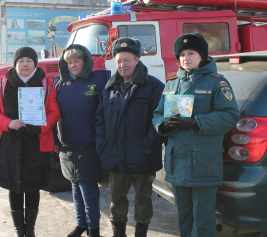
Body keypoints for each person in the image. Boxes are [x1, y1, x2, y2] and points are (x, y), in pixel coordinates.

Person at [152, 33, 240, 237]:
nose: (186, 58)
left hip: (203, 164)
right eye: (182, 54)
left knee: (203, 222)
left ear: (202, 55)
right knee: (184, 218)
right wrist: (163, 125)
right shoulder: (172, 84)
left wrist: (195, 122)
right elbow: (157, 114)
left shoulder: (217, 83)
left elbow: (230, 115)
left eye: (191, 53)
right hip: (177, 163)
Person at [0, 46, 60, 237]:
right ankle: (19, 228)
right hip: (10, 145)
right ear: (15, 63)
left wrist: (41, 128)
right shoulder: (3, 84)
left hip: (37, 144)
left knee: (34, 187)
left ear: (35, 63)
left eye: (29, 60)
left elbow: (54, 112)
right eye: (21, 61)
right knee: (15, 188)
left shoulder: (46, 84)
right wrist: (8, 122)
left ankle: (30, 229)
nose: (25, 64)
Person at [95, 38, 165, 237]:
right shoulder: (109, 89)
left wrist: (149, 145)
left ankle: (141, 232)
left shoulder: (153, 86)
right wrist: (103, 145)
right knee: (116, 199)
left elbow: (160, 118)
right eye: (118, 61)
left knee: (143, 199)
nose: (122, 65)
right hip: (116, 155)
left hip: (143, 155)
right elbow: (100, 119)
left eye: (126, 60)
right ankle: (119, 232)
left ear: (137, 60)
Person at [54, 44, 110, 237]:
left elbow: (105, 111)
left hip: (89, 143)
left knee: (87, 187)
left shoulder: (98, 80)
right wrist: (55, 139)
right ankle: (81, 224)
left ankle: (93, 227)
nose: (73, 65)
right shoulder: (59, 83)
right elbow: (53, 113)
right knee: (74, 185)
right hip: (67, 144)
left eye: (77, 61)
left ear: (85, 62)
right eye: (69, 62)